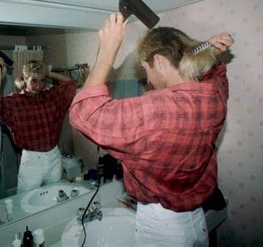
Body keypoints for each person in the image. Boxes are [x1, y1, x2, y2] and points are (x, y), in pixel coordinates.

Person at [69, 13, 233, 246]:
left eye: (146, 69)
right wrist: (204, 48)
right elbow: (216, 71)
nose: (148, 80)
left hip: (161, 228)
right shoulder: (215, 96)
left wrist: (107, 52)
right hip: (197, 222)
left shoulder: (154, 110)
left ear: (161, 62)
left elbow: (82, 112)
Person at [0, 59, 76, 193]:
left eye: (42, 81)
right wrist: (0, 76)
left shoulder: (52, 96)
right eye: (34, 80)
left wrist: (47, 72)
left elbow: (70, 84)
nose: (39, 85)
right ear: (25, 79)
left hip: (54, 156)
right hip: (32, 161)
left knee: (55, 196)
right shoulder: (15, 102)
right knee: (26, 202)